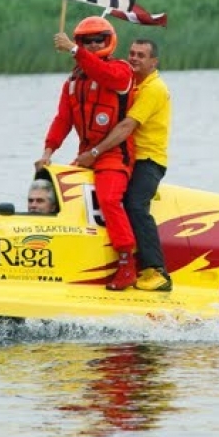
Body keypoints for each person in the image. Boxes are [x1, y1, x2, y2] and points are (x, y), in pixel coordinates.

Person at [35, 16, 139, 290]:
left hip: (115, 153)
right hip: (85, 155)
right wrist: (47, 153)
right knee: (53, 190)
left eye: (98, 40)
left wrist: (74, 50)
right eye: (86, 41)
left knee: (108, 198)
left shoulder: (121, 71)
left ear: (109, 41)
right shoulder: (71, 83)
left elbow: (106, 76)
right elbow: (62, 120)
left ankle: (127, 263)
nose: (93, 46)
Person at [75, 38, 172, 292]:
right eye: (131, 53)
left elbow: (127, 126)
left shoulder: (154, 88)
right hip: (127, 156)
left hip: (148, 160)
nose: (134, 58)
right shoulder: (132, 84)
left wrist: (95, 152)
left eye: (141, 55)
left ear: (154, 62)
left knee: (135, 205)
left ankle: (157, 271)